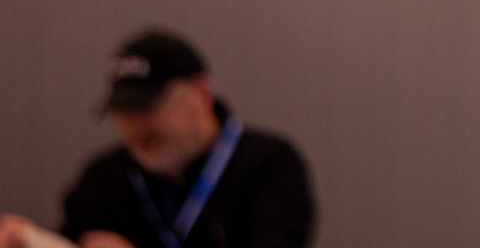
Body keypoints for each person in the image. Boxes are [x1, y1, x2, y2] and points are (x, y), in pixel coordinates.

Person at [0, 30, 316, 248]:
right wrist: (28, 240)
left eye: (149, 107)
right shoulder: (104, 178)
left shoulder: (269, 166)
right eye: (124, 112)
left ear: (202, 94)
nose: (138, 126)